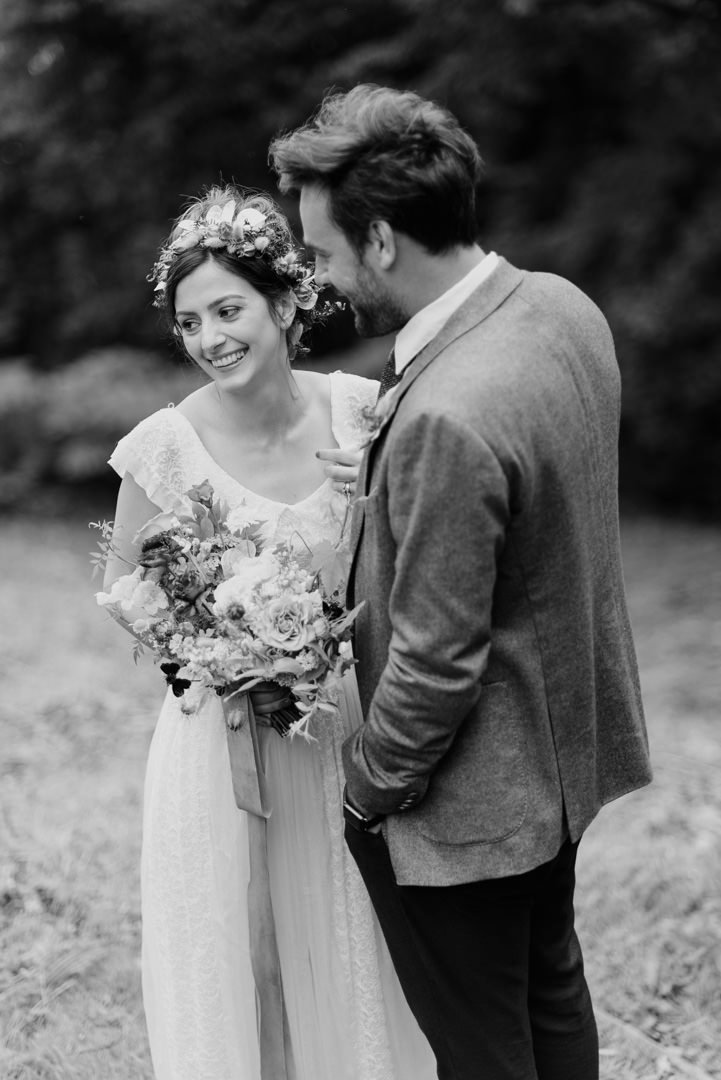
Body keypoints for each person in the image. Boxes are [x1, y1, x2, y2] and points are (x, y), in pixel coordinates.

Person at [270, 84, 653, 1080]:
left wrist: (366, 790)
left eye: (322, 251)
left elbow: (435, 664)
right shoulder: (557, 306)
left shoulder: (447, 410)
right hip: (566, 758)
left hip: (470, 802)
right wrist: (391, 489)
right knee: (549, 993)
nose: (316, 275)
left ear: (385, 240)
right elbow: (535, 514)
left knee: (481, 1050)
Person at [100, 184, 437, 1080]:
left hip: (342, 732)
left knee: (353, 939)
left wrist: (374, 492)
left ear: (287, 304)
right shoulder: (162, 447)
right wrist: (220, 642)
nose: (209, 338)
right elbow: (123, 590)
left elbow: (412, 556)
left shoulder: (362, 413)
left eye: (227, 309)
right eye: (188, 321)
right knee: (237, 955)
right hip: (220, 744)